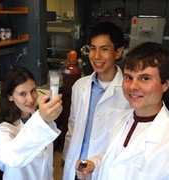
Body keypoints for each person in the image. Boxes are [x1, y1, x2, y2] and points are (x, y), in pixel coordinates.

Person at [75, 42, 169, 180]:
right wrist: (95, 164)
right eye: (128, 77)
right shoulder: (123, 119)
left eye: (145, 78)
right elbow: (117, 161)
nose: (133, 86)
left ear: (165, 84)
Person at [62, 21, 130, 180]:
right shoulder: (80, 86)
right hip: (76, 167)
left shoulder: (128, 92)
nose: (96, 56)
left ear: (118, 52)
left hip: (105, 171)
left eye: (104, 49)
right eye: (93, 48)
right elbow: (72, 125)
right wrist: (65, 156)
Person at [0, 67, 63, 180]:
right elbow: (12, 158)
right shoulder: (0, 130)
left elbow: (46, 164)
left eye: (33, 90)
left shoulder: (39, 119)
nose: (31, 99)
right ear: (10, 96)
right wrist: (41, 121)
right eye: (22, 94)